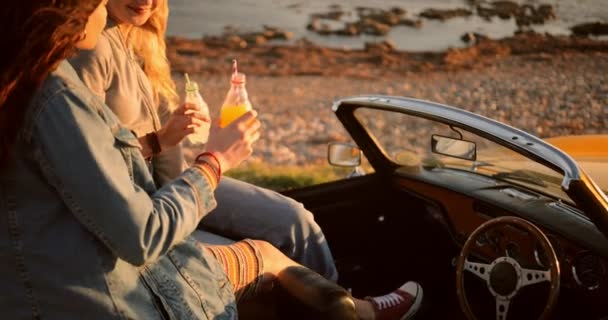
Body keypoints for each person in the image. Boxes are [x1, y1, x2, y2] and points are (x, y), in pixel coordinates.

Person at [0, 1, 424, 319]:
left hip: (100, 259)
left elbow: (86, 172)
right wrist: (215, 160)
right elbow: (139, 233)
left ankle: (358, 308)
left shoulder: (31, 74)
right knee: (269, 250)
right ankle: (358, 310)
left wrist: (165, 141)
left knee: (280, 235)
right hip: (108, 290)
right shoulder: (56, 89)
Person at [69, 0, 337, 282]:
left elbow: (150, 134)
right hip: (143, 202)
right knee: (271, 251)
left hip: (173, 179)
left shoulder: (138, 38)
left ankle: (344, 302)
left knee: (294, 220)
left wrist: (177, 137)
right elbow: (92, 162)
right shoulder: (91, 49)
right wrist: (192, 155)